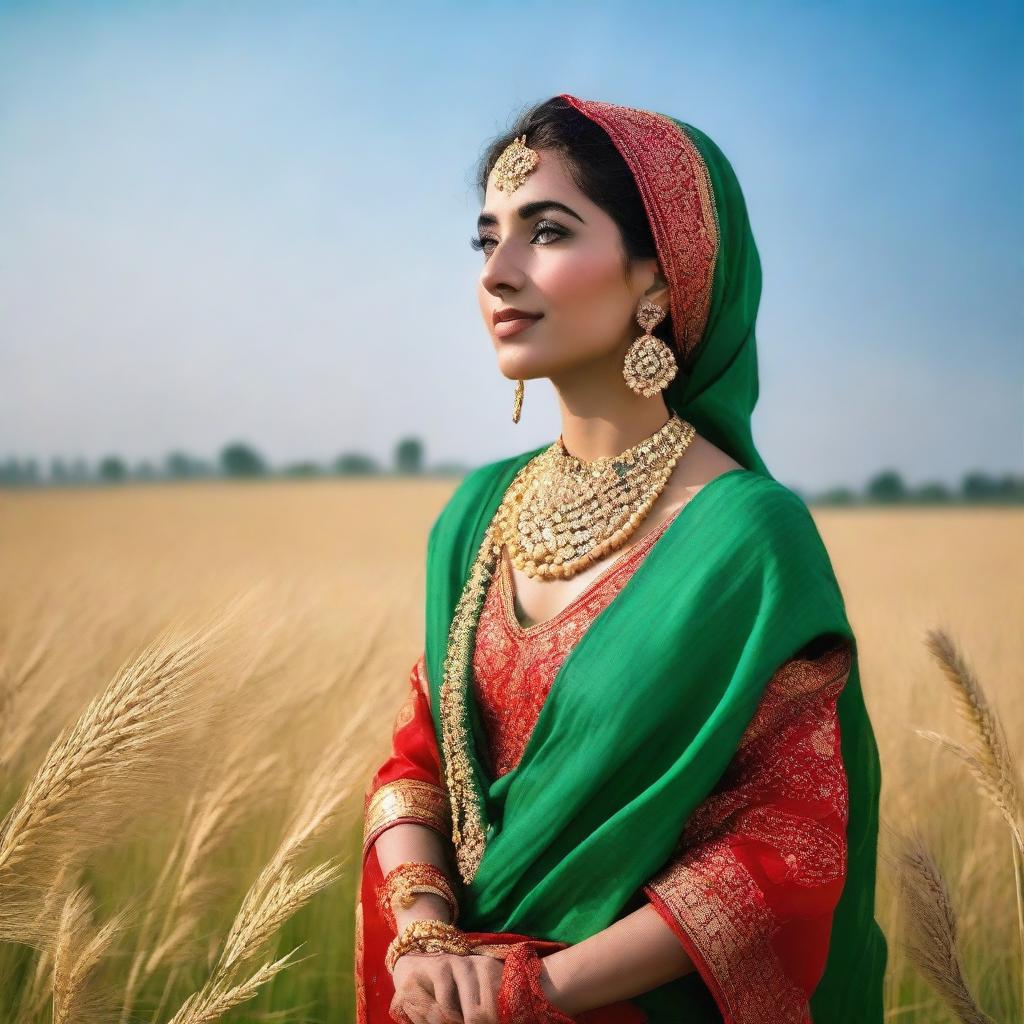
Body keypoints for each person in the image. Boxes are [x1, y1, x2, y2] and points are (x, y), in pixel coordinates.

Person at [353, 93, 888, 1024]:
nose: (499, 273)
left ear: (661, 278)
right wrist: (428, 935)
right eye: (487, 241)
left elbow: (785, 842)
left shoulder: (746, 539)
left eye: (546, 232)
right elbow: (421, 761)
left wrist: (536, 989)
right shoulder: (476, 514)